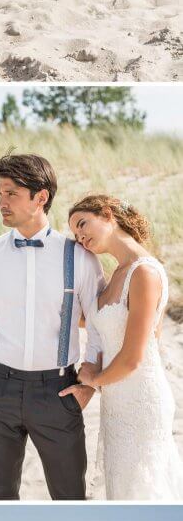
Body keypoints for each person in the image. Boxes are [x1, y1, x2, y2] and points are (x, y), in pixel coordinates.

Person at [0, 152, 104, 500]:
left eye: (11, 194)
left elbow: (97, 328)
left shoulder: (80, 257)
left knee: (70, 498)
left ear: (41, 197)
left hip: (59, 392)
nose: (1, 203)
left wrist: (87, 387)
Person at [67, 195, 183, 502]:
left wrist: (92, 381)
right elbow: (101, 325)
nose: (81, 237)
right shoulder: (116, 274)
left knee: (143, 492)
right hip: (116, 403)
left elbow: (134, 357)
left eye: (83, 224)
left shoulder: (144, 272)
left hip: (142, 401)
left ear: (107, 214)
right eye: (76, 235)